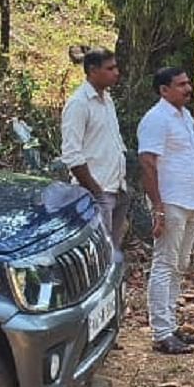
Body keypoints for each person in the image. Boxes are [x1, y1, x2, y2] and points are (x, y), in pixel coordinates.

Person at [137, 67, 194, 356]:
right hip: (170, 201)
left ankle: (172, 325)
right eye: (180, 85)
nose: (187, 89)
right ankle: (161, 332)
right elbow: (147, 162)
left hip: (190, 199)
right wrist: (158, 207)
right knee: (164, 264)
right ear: (164, 90)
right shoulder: (156, 118)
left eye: (188, 83)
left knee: (180, 264)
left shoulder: (184, 116)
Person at [61, 49, 128, 260]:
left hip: (116, 187)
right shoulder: (79, 103)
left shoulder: (107, 100)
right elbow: (72, 154)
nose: (116, 72)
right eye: (110, 68)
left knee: (111, 254)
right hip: (96, 192)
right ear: (92, 70)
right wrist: (95, 190)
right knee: (96, 257)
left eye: (115, 67)